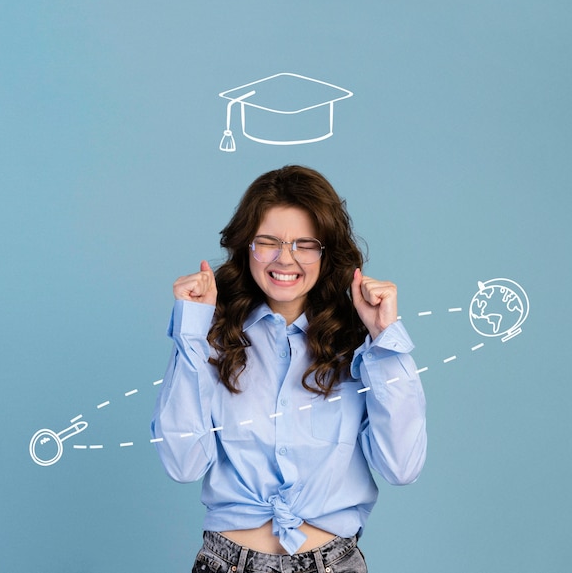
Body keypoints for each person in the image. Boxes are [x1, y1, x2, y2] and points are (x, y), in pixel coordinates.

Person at [151, 165, 427, 573]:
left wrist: (385, 340)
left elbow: (402, 467)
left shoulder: (358, 342)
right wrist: (190, 332)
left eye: (305, 244)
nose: (286, 258)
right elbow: (182, 464)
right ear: (248, 247)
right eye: (269, 242)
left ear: (325, 252)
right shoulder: (214, 334)